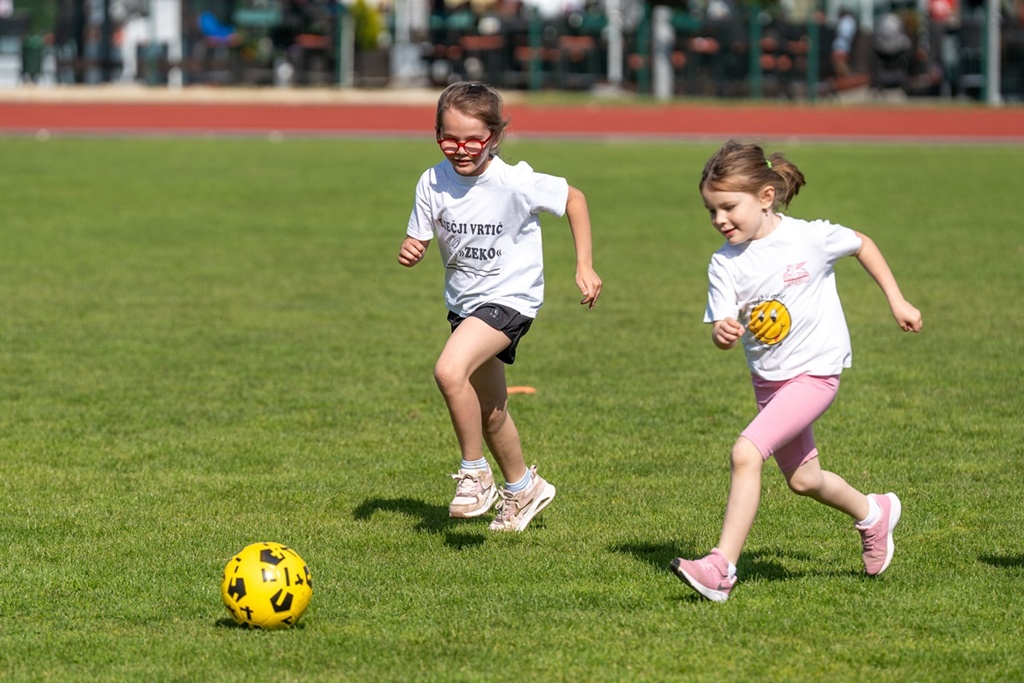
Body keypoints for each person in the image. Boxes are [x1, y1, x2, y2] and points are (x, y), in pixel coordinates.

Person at [671, 140, 922, 601]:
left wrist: (897, 299)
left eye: (729, 207)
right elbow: (721, 323)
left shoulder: (809, 237)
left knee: (746, 452)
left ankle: (721, 567)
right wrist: (722, 331)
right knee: (804, 480)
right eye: (711, 211)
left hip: (816, 373)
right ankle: (874, 512)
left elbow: (861, 243)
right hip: (769, 381)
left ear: (766, 197)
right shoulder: (723, 263)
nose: (720, 220)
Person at [398, 81, 602, 532]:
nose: (461, 149)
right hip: (465, 304)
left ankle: (475, 474)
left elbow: (574, 199)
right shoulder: (432, 181)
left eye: (473, 140)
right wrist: (413, 247)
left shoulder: (514, 181)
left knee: (449, 371)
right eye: (448, 139)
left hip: (511, 298)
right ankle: (524, 487)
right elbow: (421, 234)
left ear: (495, 137)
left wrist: (584, 265)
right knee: (491, 411)